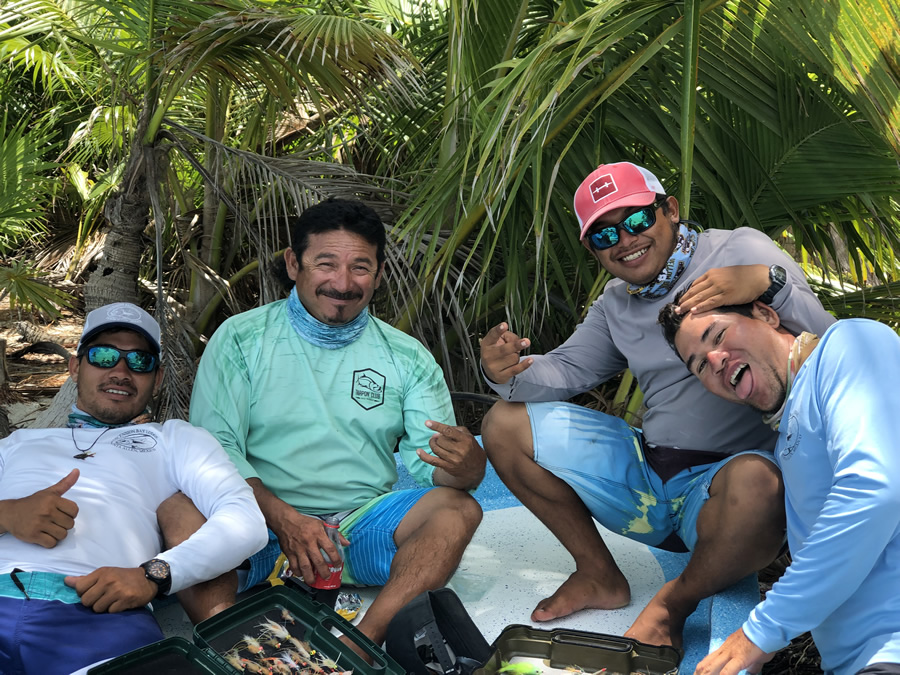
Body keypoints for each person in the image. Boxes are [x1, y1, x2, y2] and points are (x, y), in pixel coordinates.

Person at [479, 161, 836, 648]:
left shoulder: (740, 249)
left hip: (725, 489)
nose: (625, 241)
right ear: (592, 249)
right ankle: (598, 573)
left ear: (669, 209)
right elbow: (565, 371)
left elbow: (830, 349)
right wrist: (506, 372)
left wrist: (769, 282)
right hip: (648, 476)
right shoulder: (614, 302)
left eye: (636, 221)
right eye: (604, 235)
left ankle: (676, 601)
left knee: (758, 484)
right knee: (504, 423)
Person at [189, 198, 485, 648]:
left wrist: (467, 468)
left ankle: (361, 643)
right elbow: (215, 449)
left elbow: (432, 465)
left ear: (380, 274)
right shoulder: (242, 338)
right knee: (182, 509)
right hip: (259, 527)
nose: (343, 283)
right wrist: (286, 520)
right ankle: (232, 640)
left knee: (457, 509)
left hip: (356, 533)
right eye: (325, 263)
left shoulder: (405, 356)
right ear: (294, 263)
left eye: (360, 268)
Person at [0, 302, 267, 675]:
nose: (121, 371)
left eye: (140, 361)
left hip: (99, 615)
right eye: (104, 355)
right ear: (75, 367)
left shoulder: (174, 439)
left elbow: (244, 520)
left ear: (157, 379)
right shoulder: (18, 443)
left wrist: (154, 575)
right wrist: (7, 514)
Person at [658, 296, 900, 675]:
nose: (716, 360)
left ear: (767, 315)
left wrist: (760, 632)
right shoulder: (788, 431)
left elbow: (874, 489)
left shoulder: (849, 343)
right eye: (700, 365)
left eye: (718, 334)